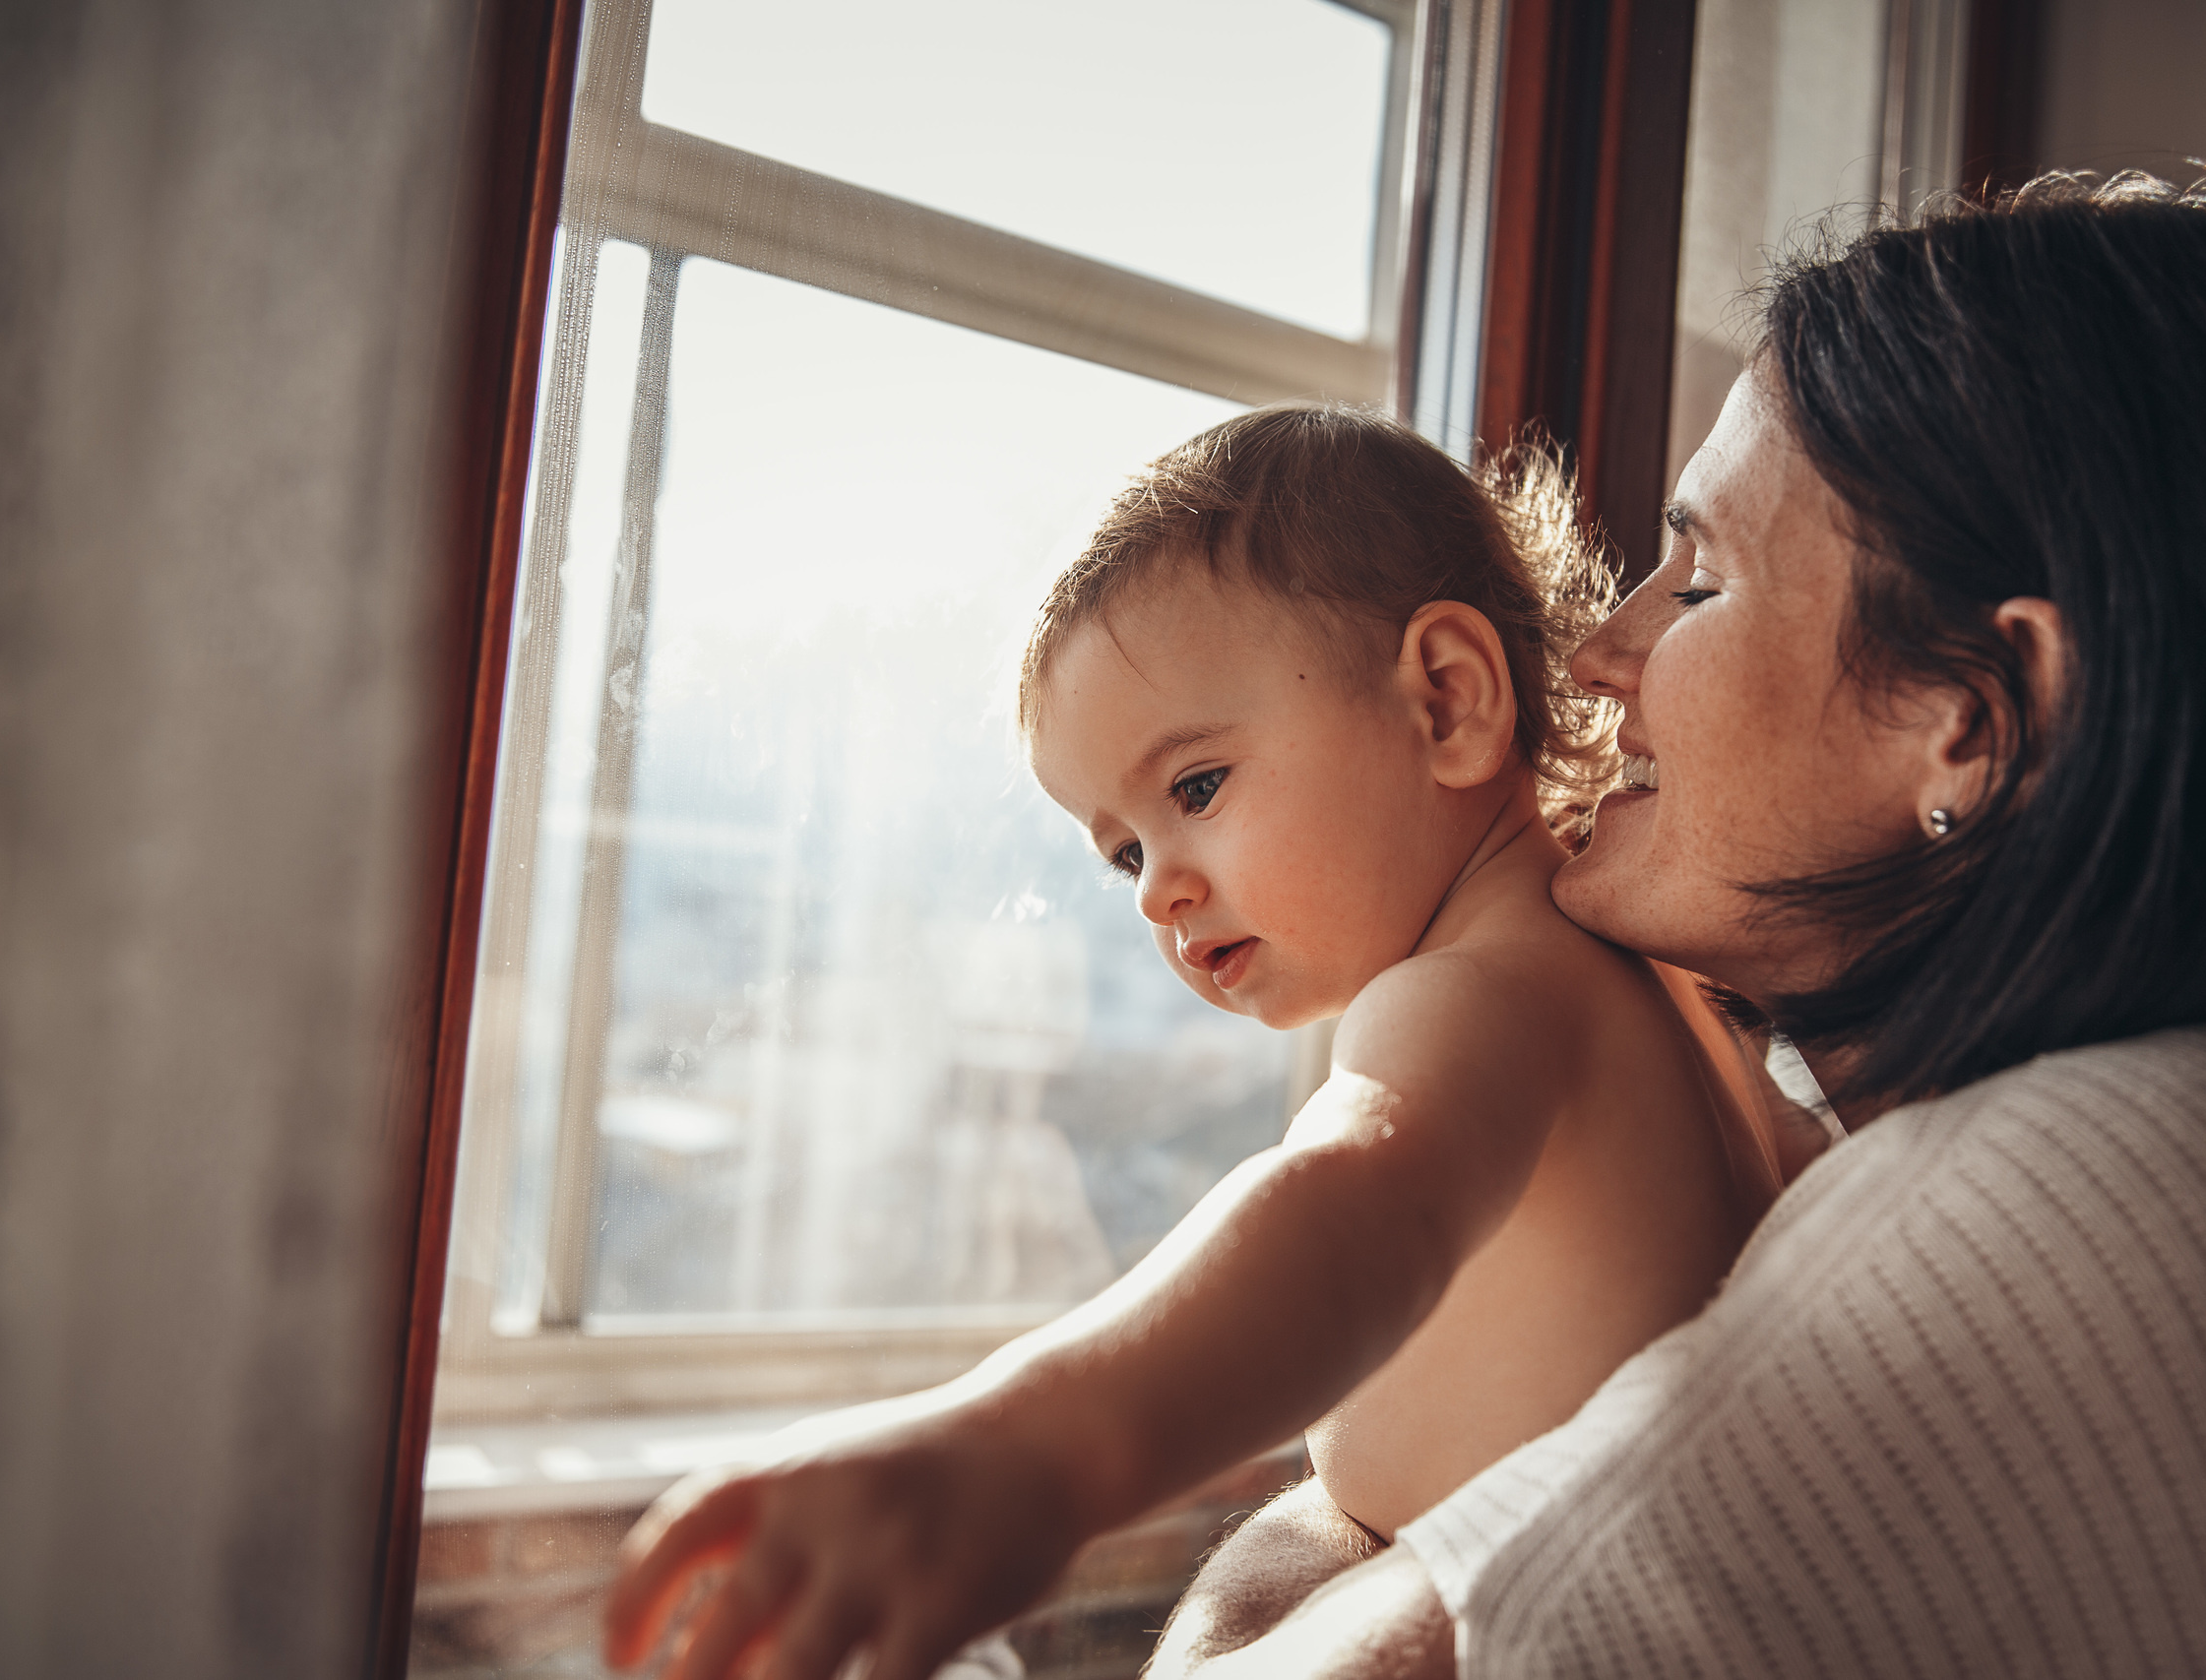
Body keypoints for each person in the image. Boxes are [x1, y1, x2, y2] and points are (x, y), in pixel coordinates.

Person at [1151, 173, 2206, 1678]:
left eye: (1704, 576)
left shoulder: (2080, 1187)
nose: (1602, 653)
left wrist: (1326, 1516)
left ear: (1970, 727)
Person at [600, 408, 1785, 1680]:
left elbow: (1347, 1213)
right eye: (1123, 851)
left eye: (1198, 789)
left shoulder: (1479, 993)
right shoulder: (1651, 987)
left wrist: (1023, 1453)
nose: (1159, 890)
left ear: (1446, 700)